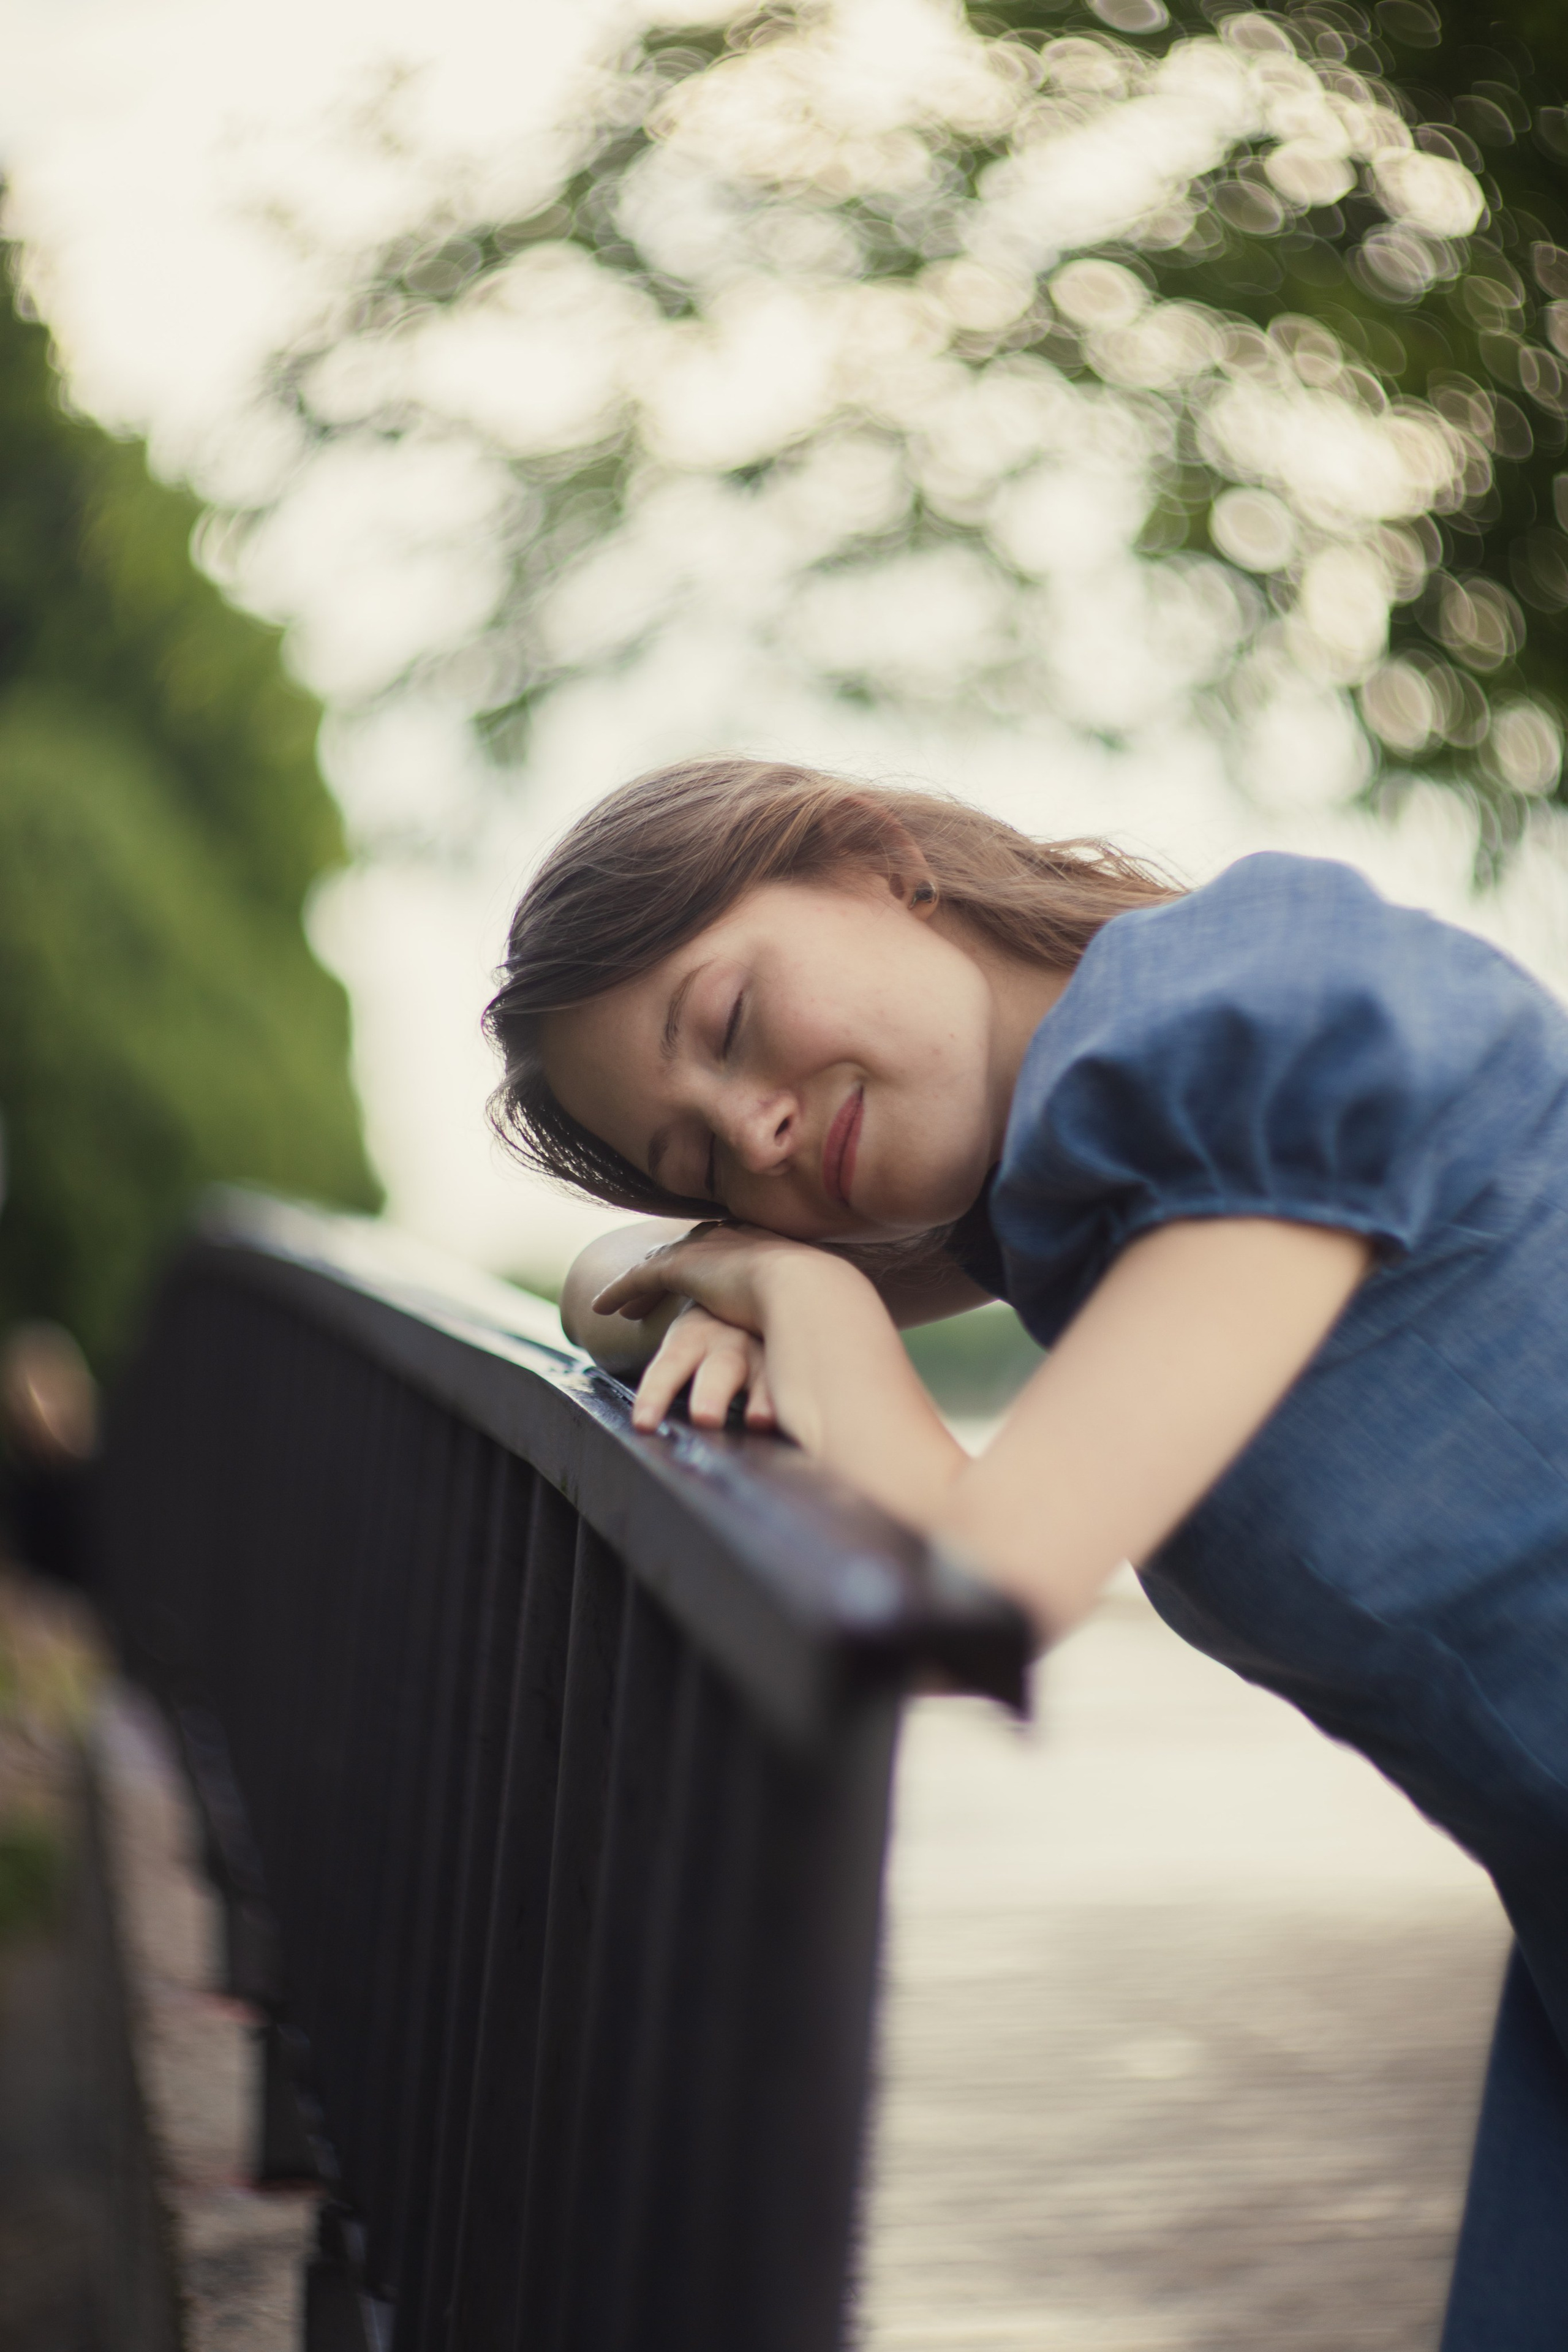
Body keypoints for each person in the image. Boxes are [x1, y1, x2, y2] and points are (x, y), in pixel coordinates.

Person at [484, 753, 1568, 2348]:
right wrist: (718, 1253)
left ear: (875, 863)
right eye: (698, 1156)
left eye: (725, 1027)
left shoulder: (1234, 1033)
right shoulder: (1063, 1186)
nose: (759, 1128)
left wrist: (808, 1297)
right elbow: (612, 1282)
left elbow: (984, 1591)